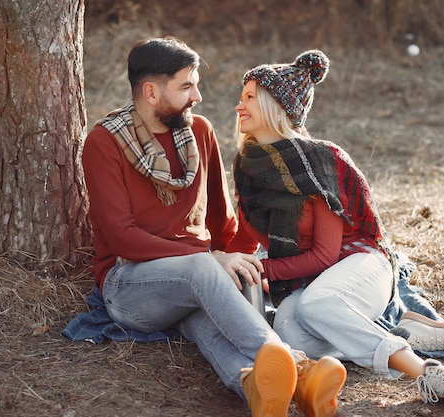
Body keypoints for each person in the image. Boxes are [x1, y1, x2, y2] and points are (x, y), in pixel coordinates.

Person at [78, 36, 347, 417]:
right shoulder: (104, 143)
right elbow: (123, 238)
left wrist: (237, 261)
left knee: (209, 310)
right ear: (151, 92)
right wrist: (210, 258)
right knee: (202, 268)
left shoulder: (199, 133)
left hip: (192, 280)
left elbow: (223, 221)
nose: (198, 96)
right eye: (187, 86)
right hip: (129, 285)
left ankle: (257, 390)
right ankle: (299, 368)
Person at [225, 49, 444, 415]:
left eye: (249, 97)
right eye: (241, 97)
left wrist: (261, 270)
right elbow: (245, 238)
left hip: (359, 262)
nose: (239, 106)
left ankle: (427, 372)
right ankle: (397, 333)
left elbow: (324, 256)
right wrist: (222, 260)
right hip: (311, 281)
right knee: (286, 333)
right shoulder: (247, 166)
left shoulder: (321, 162)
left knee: (318, 306)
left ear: (273, 104)